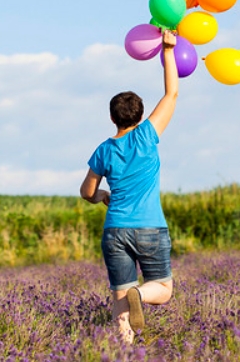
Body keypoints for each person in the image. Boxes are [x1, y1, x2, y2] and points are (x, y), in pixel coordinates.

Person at [80, 29, 178, 344]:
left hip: (115, 229)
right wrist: (167, 50)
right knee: (161, 290)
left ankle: (125, 351)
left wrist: (102, 196)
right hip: (150, 227)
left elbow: (87, 192)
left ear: (112, 118)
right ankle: (141, 293)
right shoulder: (148, 135)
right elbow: (172, 94)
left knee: (119, 303)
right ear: (140, 114)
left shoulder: (104, 150)